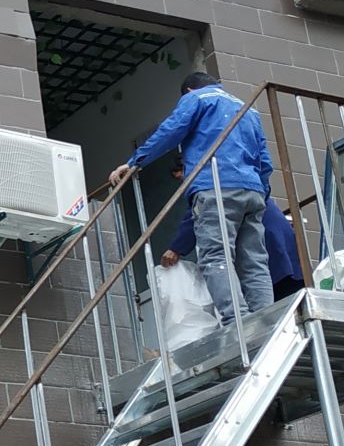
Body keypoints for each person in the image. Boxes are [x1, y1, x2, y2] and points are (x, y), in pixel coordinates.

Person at [110, 72, 273, 326]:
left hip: (215, 186)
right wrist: (261, 192)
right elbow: (265, 160)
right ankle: (268, 320)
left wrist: (134, 162)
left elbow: (170, 131)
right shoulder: (248, 110)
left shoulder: (197, 99)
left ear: (188, 90)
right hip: (252, 190)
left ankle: (238, 322)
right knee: (254, 262)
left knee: (216, 257)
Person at [160, 158, 304, 303]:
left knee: (274, 294)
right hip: (275, 236)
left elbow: (196, 214)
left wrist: (176, 249)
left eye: (183, 178)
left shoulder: (210, 184)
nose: (184, 185)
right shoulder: (233, 172)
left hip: (266, 239)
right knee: (288, 291)